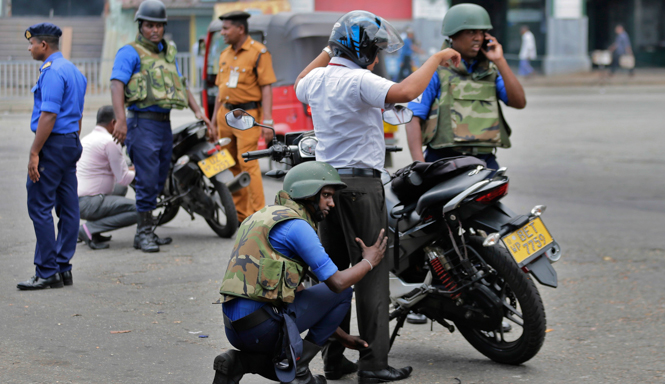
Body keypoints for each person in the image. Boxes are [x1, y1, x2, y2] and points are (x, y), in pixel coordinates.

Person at [294, 10, 460, 383]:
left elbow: (301, 79)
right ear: (362, 50)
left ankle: (334, 359)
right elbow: (404, 93)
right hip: (360, 187)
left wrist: (329, 48)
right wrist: (435, 58)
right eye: (374, 50)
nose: (377, 57)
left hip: (325, 188)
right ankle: (373, 364)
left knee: (333, 275)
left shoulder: (317, 79)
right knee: (371, 273)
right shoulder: (359, 80)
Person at [212, 161, 388, 384]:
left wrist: (341, 337)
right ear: (308, 193)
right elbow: (337, 283)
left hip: (235, 328)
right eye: (326, 195)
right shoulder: (298, 226)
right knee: (342, 293)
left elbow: (298, 295)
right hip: (260, 330)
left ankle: (239, 362)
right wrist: (368, 262)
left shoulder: (263, 216)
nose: (332, 203)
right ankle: (298, 369)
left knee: (312, 297)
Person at [109, 0, 213, 253]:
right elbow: (116, 84)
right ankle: (142, 233)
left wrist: (199, 112)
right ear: (140, 26)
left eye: (158, 26)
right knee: (146, 180)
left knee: (159, 180)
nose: (154, 30)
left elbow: (181, 85)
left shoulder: (167, 55)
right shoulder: (129, 52)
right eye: (149, 25)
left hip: (163, 125)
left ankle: (148, 230)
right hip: (140, 124)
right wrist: (120, 119)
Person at [405, 3, 526, 170]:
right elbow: (413, 118)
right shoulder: (436, 71)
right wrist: (420, 166)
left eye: (482, 32)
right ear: (453, 36)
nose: (478, 38)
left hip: (484, 160)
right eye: (471, 32)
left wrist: (500, 61)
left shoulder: (490, 71)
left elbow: (519, 102)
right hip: (443, 159)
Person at [16, 23, 87, 290]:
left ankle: (47, 271)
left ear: (44, 46)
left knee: (40, 205)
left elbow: (49, 115)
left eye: (32, 43)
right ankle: (63, 267)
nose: (29, 47)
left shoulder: (53, 72)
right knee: (68, 207)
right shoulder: (74, 71)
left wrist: (35, 151)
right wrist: (73, 143)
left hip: (53, 145)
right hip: (69, 143)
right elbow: (78, 116)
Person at [209, 11, 276, 223]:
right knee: (229, 164)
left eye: (226, 28)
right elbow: (220, 91)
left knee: (248, 163)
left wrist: (268, 121)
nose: (223, 33)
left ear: (240, 29)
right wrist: (212, 121)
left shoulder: (258, 52)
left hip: (246, 115)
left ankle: (259, 215)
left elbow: (266, 87)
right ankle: (241, 214)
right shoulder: (224, 54)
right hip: (224, 114)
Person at [77, 105, 138, 250]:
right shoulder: (110, 141)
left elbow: (110, 171)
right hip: (90, 202)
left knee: (120, 189)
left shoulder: (89, 138)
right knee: (139, 209)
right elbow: (123, 177)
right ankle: (89, 229)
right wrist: (143, 172)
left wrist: (131, 170)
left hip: (78, 201)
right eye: (122, 122)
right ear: (114, 123)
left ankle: (95, 231)